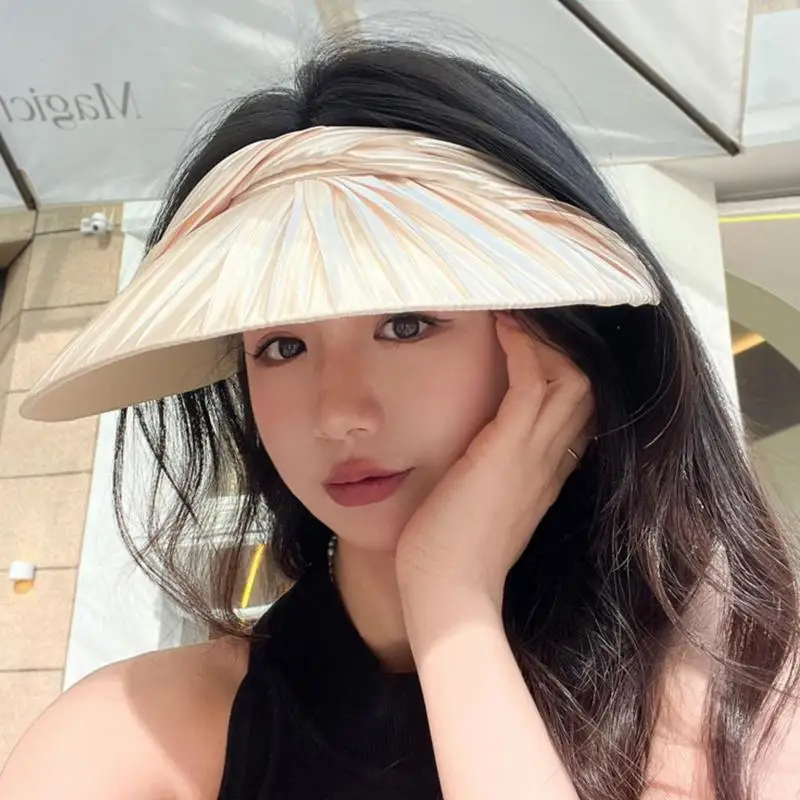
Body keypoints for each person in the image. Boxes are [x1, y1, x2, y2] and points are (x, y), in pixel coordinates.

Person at [1, 34, 799, 800]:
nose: (338, 414)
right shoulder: (134, 740)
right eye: (281, 345)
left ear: (556, 343)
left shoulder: (737, 693)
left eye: (407, 324)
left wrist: (451, 600)